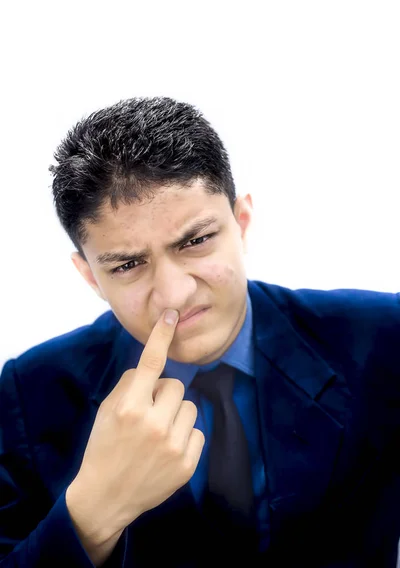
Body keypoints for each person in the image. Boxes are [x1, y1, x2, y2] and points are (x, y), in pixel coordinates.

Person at [1, 97, 400, 568]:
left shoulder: (384, 339)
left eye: (195, 241)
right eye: (128, 265)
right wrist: (92, 512)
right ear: (90, 276)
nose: (173, 294)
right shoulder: (29, 395)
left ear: (242, 223)